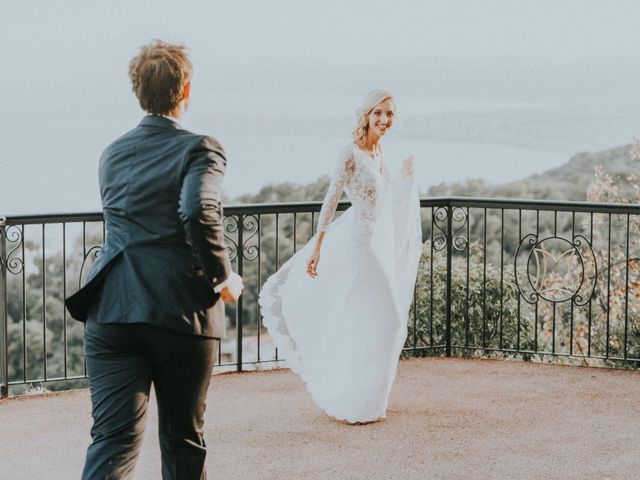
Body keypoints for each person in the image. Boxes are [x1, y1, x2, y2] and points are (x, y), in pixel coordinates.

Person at [65, 40, 243, 479]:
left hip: (112, 309)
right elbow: (196, 210)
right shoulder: (201, 147)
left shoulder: (113, 152)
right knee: (183, 443)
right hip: (179, 312)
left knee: (111, 442)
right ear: (185, 89)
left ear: (138, 92)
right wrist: (223, 278)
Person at [259, 89, 422, 424]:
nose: (384, 119)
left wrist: (405, 178)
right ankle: (356, 395)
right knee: (391, 317)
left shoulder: (380, 153)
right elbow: (331, 198)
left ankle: (367, 400)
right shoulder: (350, 153)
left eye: (389, 114)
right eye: (378, 113)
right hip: (361, 245)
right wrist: (317, 245)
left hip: (380, 241)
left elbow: (387, 200)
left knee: (374, 319)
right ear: (366, 115)